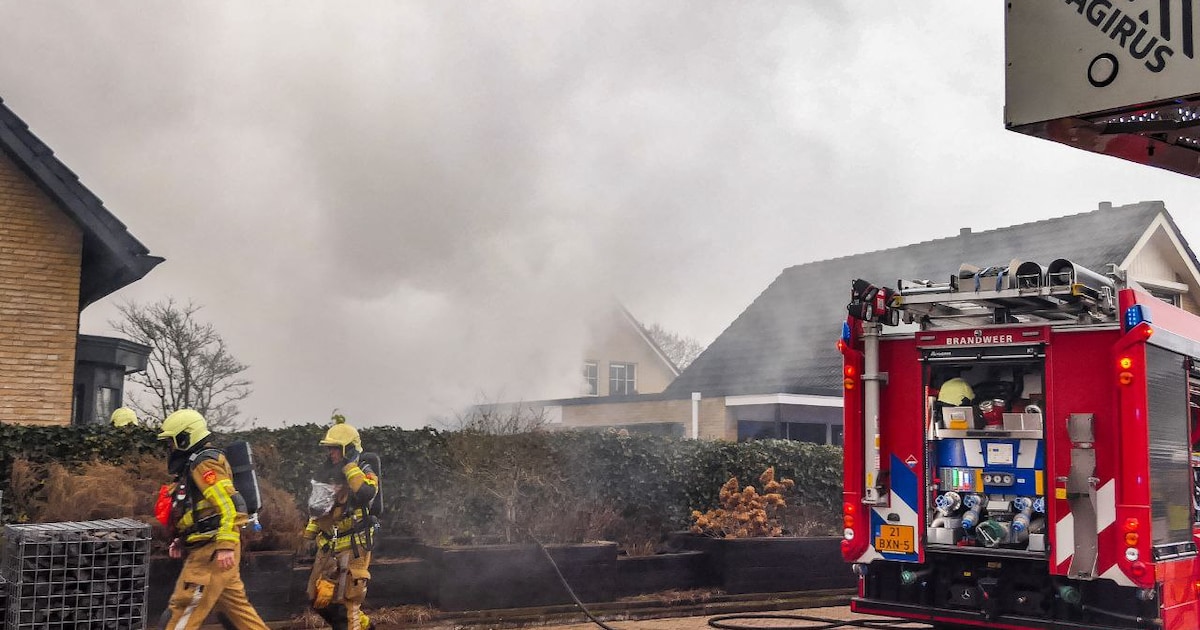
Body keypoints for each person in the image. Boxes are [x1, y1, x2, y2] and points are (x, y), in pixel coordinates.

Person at [157, 409, 268, 630]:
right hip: (212, 549)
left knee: (182, 610)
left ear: (185, 437)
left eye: (171, 442)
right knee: (240, 616)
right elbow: (202, 512)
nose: (170, 448)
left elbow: (232, 506)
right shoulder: (195, 464)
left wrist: (225, 546)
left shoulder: (204, 464)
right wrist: (182, 539)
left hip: (211, 553)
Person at [302, 416, 379, 630]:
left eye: (336, 448)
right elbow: (318, 508)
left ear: (348, 449)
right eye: (330, 448)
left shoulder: (365, 469)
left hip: (354, 548)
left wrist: (350, 466)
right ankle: (364, 626)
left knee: (347, 602)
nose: (331, 453)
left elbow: (366, 493)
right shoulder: (325, 472)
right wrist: (308, 536)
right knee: (317, 597)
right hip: (329, 546)